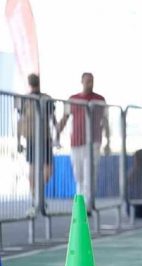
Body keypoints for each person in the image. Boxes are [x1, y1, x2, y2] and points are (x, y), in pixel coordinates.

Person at [57, 72, 110, 208]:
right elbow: (65, 118)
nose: (89, 84)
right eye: (87, 81)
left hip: (93, 143)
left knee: (89, 174)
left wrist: (108, 141)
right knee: (79, 175)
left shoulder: (100, 100)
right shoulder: (73, 99)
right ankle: (80, 203)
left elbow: (105, 121)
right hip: (76, 142)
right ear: (82, 82)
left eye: (91, 81)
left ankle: (88, 204)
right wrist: (56, 134)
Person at [17, 74, 56, 195]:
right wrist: (18, 141)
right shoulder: (25, 99)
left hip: (44, 137)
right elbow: (21, 120)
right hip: (32, 136)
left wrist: (57, 134)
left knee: (47, 169)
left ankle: (37, 193)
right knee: (33, 167)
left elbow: (52, 118)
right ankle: (35, 195)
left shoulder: (46, 98)